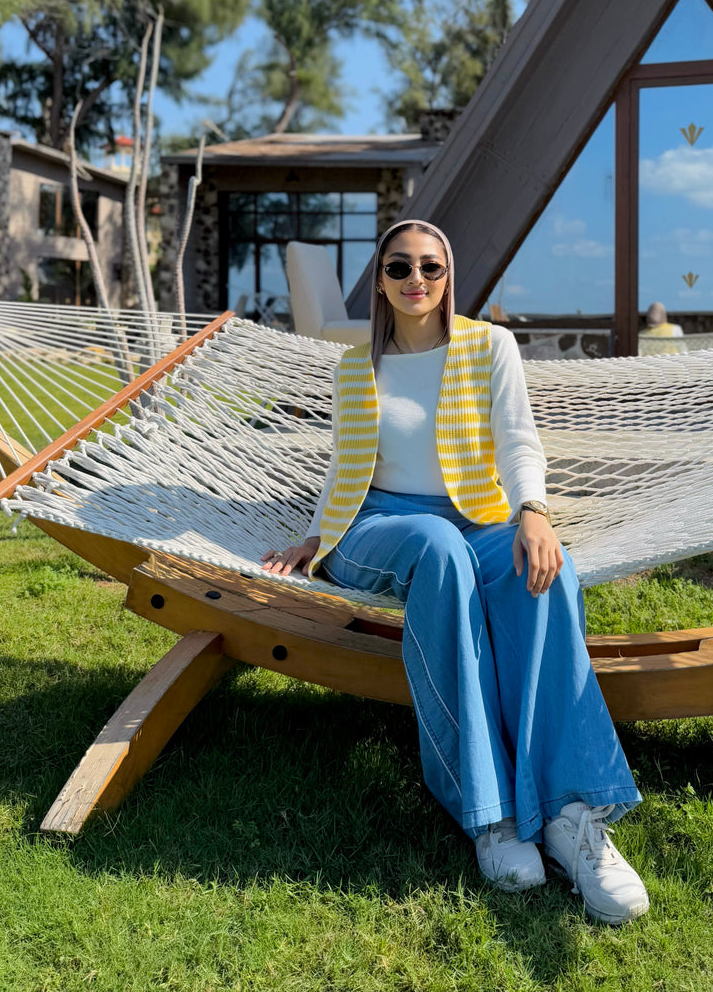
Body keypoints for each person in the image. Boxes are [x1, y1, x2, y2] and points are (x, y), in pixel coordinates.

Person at [262, 219, 648, 924]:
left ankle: (569, 815)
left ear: (448, 276)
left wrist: (533, 510)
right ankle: (491, 813)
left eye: (431, 267)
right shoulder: (357, 365)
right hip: (374, 523)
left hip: (479, 516)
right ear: (380, 278)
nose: (416, 280)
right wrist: (314, 535)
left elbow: (518, 436)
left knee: (548, 574)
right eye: (400, 267)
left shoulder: (488, 345)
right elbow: (343, 465)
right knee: (439, 549)